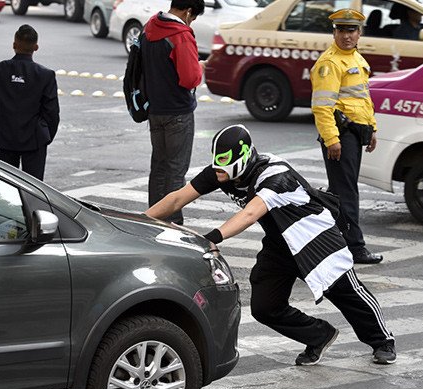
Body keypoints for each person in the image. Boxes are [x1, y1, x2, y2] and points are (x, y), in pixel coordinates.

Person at [145, 125, 397, 365]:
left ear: (242, 158)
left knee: (346, 292)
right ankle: (318, 336)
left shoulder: (275, 175)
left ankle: (382, 341)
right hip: (280, 244)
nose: (218, 173)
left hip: (316, 240)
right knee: (265, 307)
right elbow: (177, 198)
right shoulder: (222, 171)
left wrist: (210, 238)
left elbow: (250, 214)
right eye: (216, 163)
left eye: (224, 164)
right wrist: (141, 221)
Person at [310, 9, 383, 265]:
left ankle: (320, 239)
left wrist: (371, 128)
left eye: (351, 30)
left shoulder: (355, 59)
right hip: (341, 136)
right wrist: (332, 139)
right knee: (346, 192)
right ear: (334, 32)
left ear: (359, 33)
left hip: (354, 134)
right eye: (341, 30)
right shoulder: (330, 63)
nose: (346, 35)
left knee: (339, 192)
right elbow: (322, 106)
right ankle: (355, 247)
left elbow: (363, 99)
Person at [141, 0, 205, 225]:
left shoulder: (150, 27)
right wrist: (200, 68)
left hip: (155, 109)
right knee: (176, 170)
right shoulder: (180, 34)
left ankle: (153, 217)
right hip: (178, 112)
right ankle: (173, 223)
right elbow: (189, 78)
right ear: (188, 11)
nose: (192, 21)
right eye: (193, 17)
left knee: (158, 166)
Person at [0, 24, 60, 181]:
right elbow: (52, 112)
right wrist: (45, 135)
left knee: (6, 185)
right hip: (35, 138)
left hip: (5, 136)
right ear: (36, 47)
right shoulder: (45, 75)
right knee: (34, 187)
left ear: (14, 45)